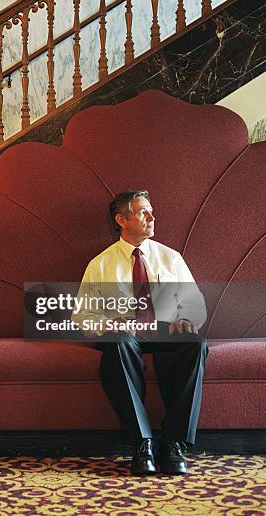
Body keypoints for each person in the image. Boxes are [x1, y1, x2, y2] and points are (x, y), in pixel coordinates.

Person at [74, 190, 208, 476]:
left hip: (165, 329)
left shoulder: (170, 257)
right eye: (143, 212)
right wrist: (106, 325)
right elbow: (82, 315)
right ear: (122, 220)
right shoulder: (100, 264)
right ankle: (142, 443)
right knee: (117, 341)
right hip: (125, 332)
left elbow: (194, 302)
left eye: (151, 210)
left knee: (195, 343)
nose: (152, 217)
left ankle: (174, 443)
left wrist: (186, 318)